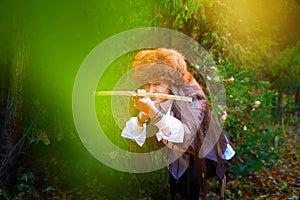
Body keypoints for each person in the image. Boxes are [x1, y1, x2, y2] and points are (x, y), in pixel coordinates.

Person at [121, 48, 235, 199]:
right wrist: (143, 116)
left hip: (208, 153)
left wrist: (153, 113)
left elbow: (185, 134)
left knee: (189, 183)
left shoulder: (193, 98)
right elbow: (135, 136)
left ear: (171, 82)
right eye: (146, 85)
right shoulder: (156, 100)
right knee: (176, 191)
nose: (151, 90)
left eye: (156, 83)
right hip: (180, 156)